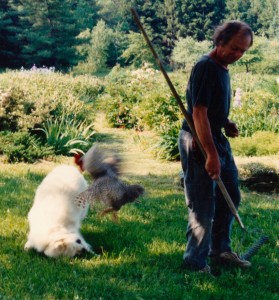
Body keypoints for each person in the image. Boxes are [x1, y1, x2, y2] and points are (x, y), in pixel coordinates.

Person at [178, 20, 253, 273]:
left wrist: (226, 121)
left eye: (243, 51)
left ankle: (220, 250)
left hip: (215, 136)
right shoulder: (206, 67)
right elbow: (199, 113)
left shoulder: (222, 67)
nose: (238, 54)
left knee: (230, 193)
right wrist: (210, 154)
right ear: (219, 41)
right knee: (203, 205)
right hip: (199, 140)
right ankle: (195, 262)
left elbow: (211, 108)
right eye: (234, 48)